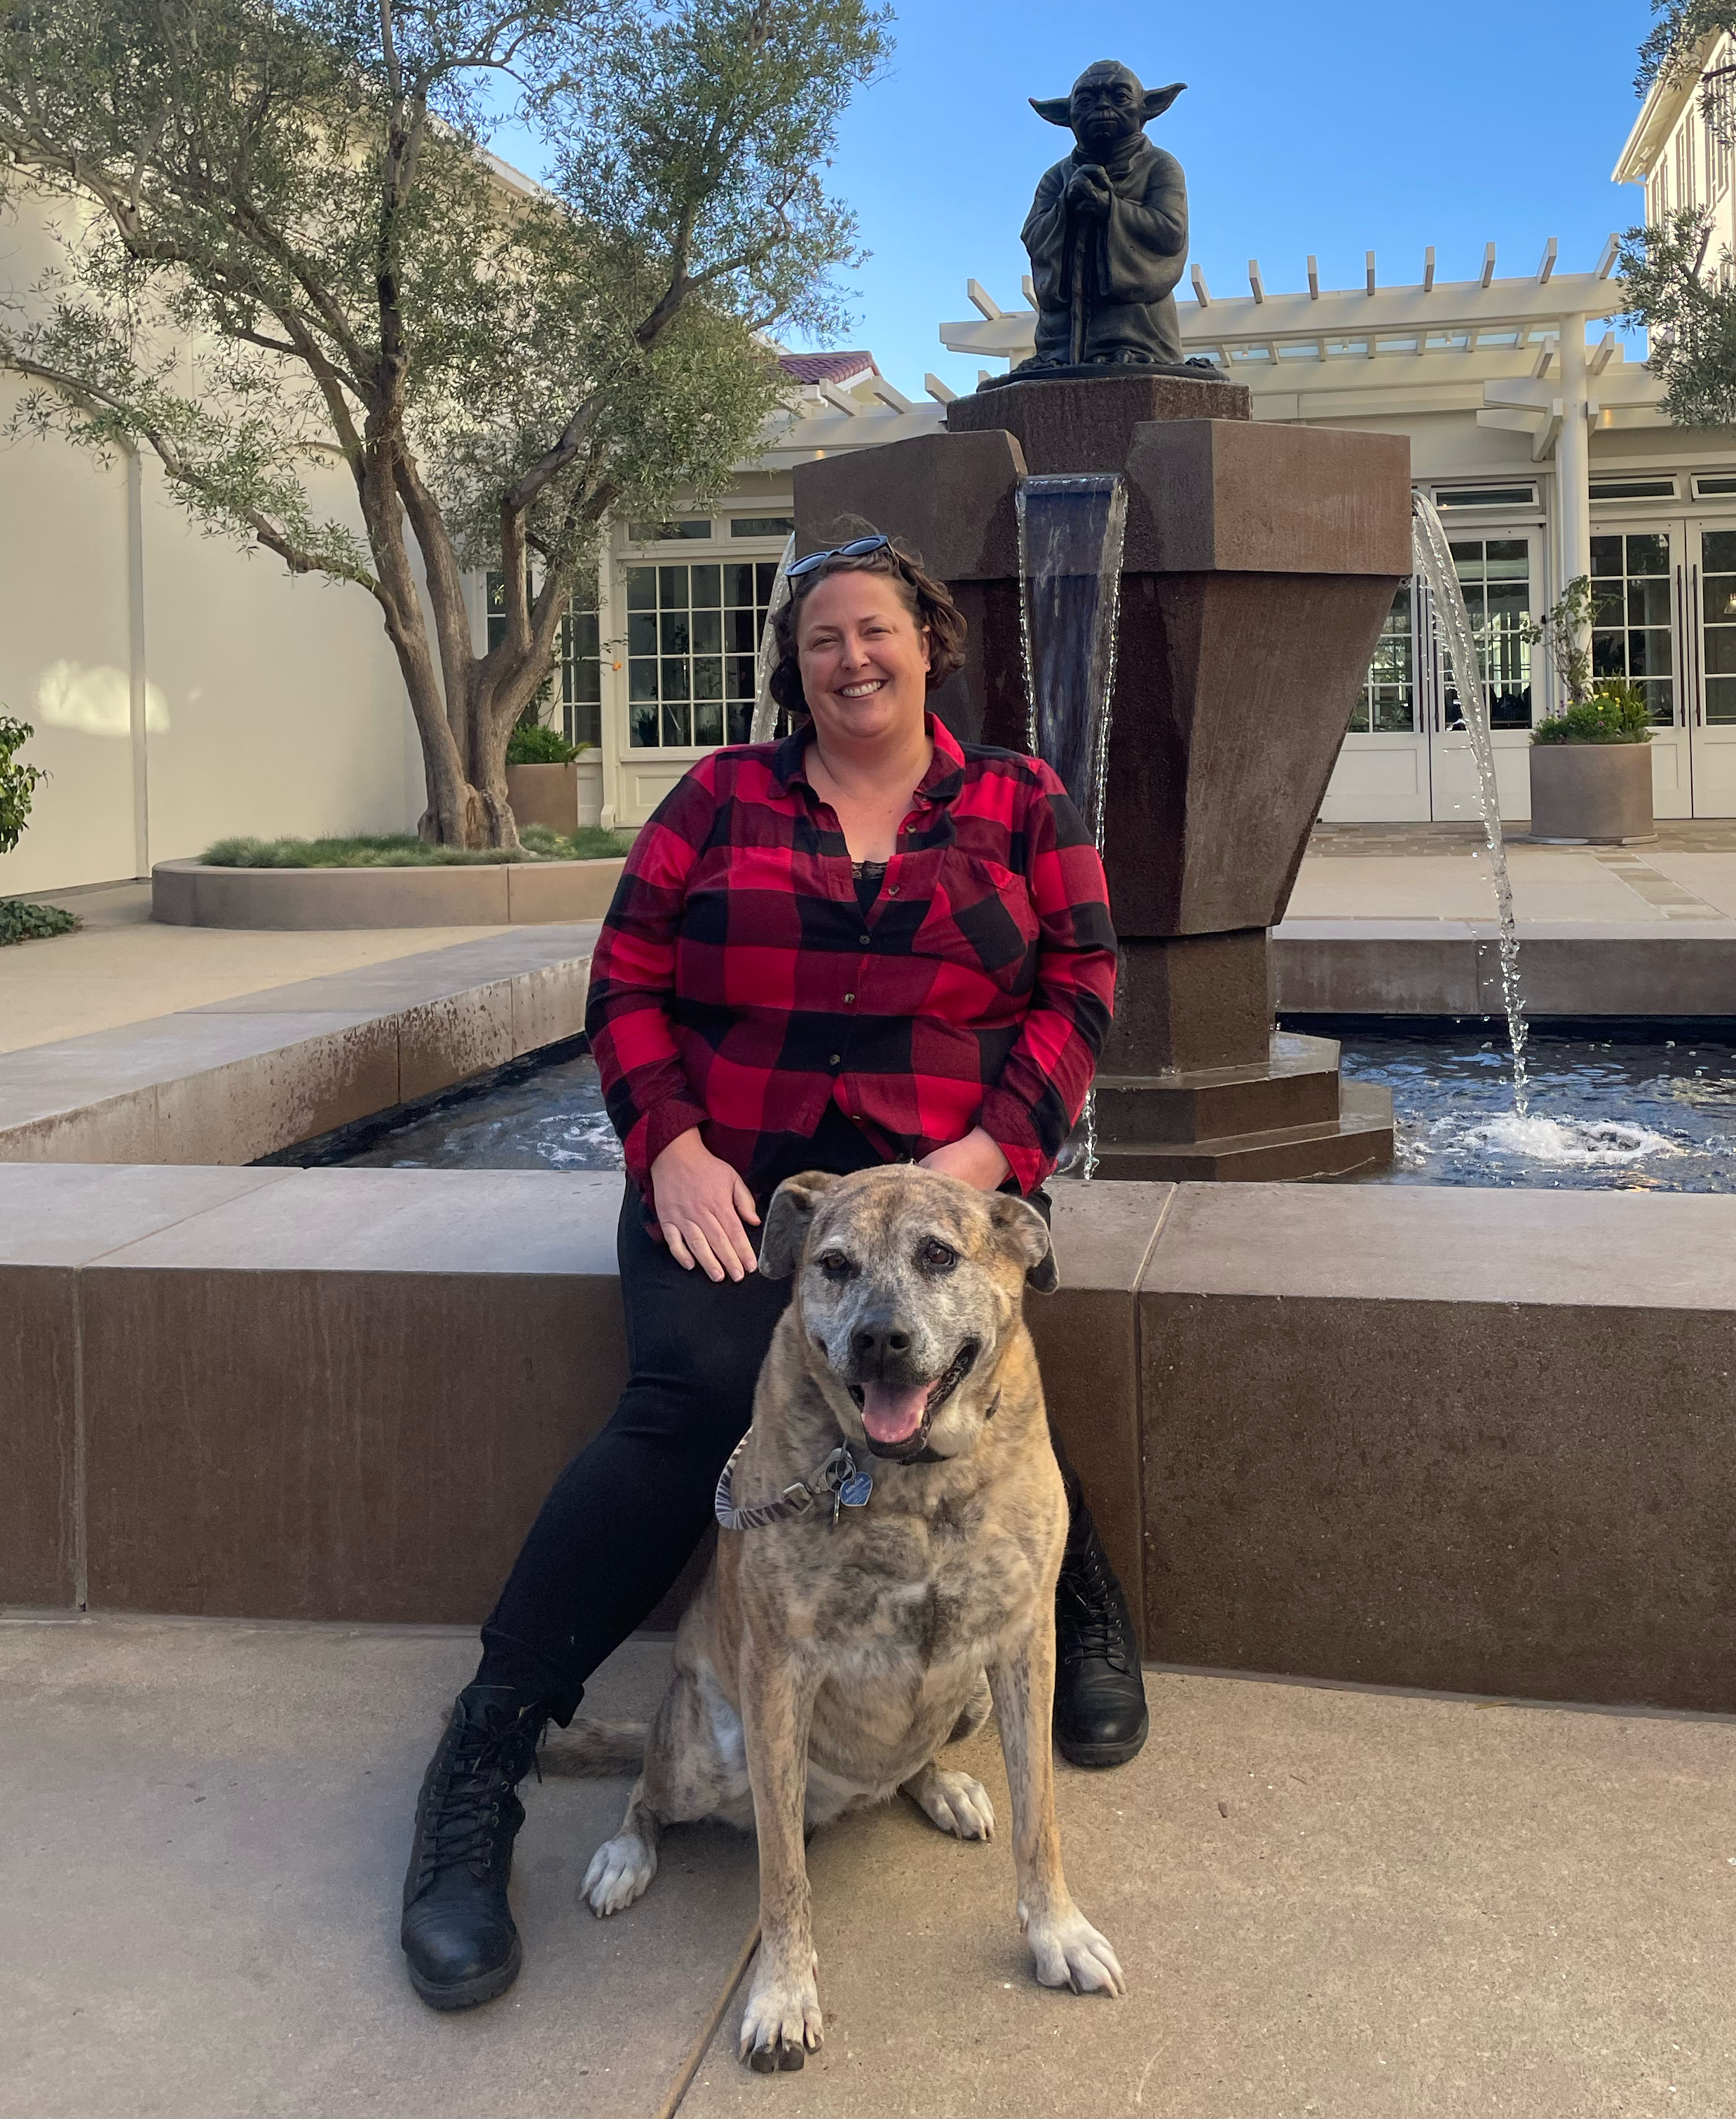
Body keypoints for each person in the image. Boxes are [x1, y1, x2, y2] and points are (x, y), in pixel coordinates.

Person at [398, 533, 1149, 2011]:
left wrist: (991, 1160)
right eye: (820, 639)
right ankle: (484, 1757)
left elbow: (1082, 981)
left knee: (969, 1377)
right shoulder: (723, 798)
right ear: (792, 663)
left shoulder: (1017, 800)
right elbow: (624, 982)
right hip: (732, 1194)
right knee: (685, 1402)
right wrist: (668, 1144)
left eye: (875, 630)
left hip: (949, 1187)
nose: (849, 659)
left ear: (928, 641)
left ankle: (1076, 1608)